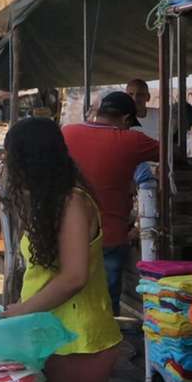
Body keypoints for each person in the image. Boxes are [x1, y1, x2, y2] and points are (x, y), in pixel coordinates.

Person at [0, 117, 122, 382]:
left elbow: (73, 277)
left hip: (79, 339)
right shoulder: (51, 199)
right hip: (56, 334)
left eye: (10, 158)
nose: (6, 165)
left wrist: (21, 311)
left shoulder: (71, 202)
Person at [62, 91, 159, 316]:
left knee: (71, 297)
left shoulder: (68, 132)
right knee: (106, 301)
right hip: (110, 233)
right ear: (126, 119)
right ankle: (106, 343)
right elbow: (175, 154)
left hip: (68, 230)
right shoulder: (132, 141)